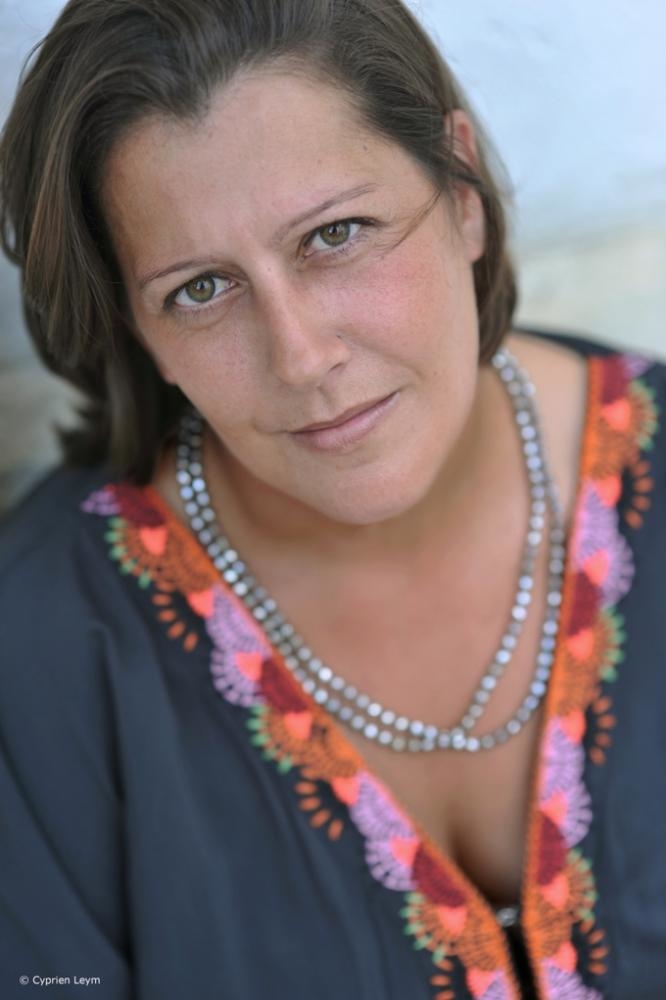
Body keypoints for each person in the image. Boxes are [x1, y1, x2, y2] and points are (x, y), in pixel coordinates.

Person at [0, 1, 664, 997]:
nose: (302, 357)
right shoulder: (40, 649)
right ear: (139, 329)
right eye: (200, 289)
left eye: (336, 234)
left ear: (461, 191)